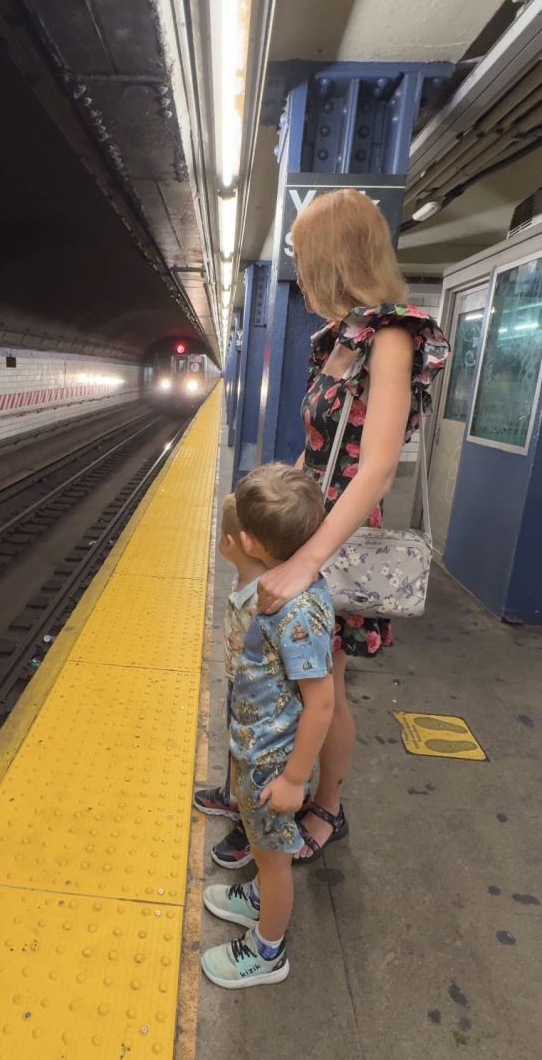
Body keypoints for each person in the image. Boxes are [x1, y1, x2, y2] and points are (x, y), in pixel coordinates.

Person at [255, 188, 449, 863]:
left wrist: (306, 560)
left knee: (322, 682)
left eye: (305, 252)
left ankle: (324, 810)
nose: (299, 265)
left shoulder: (391, 334)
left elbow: (375, 468)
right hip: (308, 522)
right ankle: (269, 784)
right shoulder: (340, 335)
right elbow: (320, 446)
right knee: (294, 675)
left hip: (337, 535)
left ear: (333, 256)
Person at [201, 464, 335, 989]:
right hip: (258, 754)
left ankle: (267, 949)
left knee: (274, 859)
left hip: (276, 767)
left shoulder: (296, 613)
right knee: (263, 849)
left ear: (251, 542)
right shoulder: (281, 589)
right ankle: (257, 895)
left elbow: (321, 704)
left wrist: (296, 779)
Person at [193, 494, 264, 869]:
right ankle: (233, 796)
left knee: (253, 760)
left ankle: (249, 830)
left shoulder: (266, 597)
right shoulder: (249, 580)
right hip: (240, 688)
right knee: (235, 747)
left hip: (260, 700)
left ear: (231, 544)